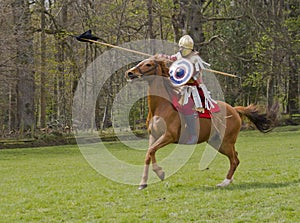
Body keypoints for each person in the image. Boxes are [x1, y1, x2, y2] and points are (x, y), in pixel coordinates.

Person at [160, 35, 217, 144]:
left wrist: (184, 75)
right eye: (180, 47)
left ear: (189, 49)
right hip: (181, 88)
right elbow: (170, 58)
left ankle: (193, 135)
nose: (181, 50)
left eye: (183, 48)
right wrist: (159, 56)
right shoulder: (179, 56)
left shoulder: (195, 59)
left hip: (193, 88)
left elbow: (194, 75)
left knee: (187, 106)